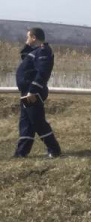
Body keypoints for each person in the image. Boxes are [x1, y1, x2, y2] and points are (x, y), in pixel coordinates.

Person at [14, 27, 62, 159]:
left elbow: (42, 72)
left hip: (33, 93)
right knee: (26, 123)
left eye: (28, 37)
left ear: (34, 37)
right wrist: (27, 45)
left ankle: (54, 149)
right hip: (26, 92)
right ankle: (21, 152)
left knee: (38, 122)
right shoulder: (36, 51)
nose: (26, 39)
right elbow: (25, 58)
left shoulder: (43, 51)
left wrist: (33, 90)